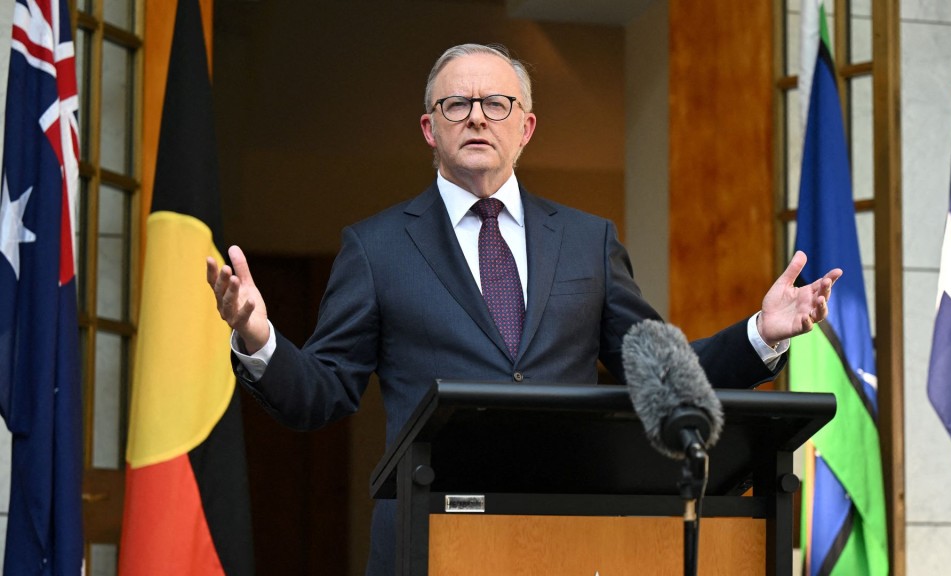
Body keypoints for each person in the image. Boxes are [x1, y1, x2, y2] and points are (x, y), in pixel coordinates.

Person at [206, 43, 841, 576]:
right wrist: (259, 337)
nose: (476, 118)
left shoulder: (588, 241)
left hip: (567, 536)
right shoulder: (376, 248)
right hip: (427, 541)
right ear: (430, 128)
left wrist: (761, 333)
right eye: (456, 105)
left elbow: (661, 370)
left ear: (525, 127)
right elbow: (321, 393)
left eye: (496, 104)